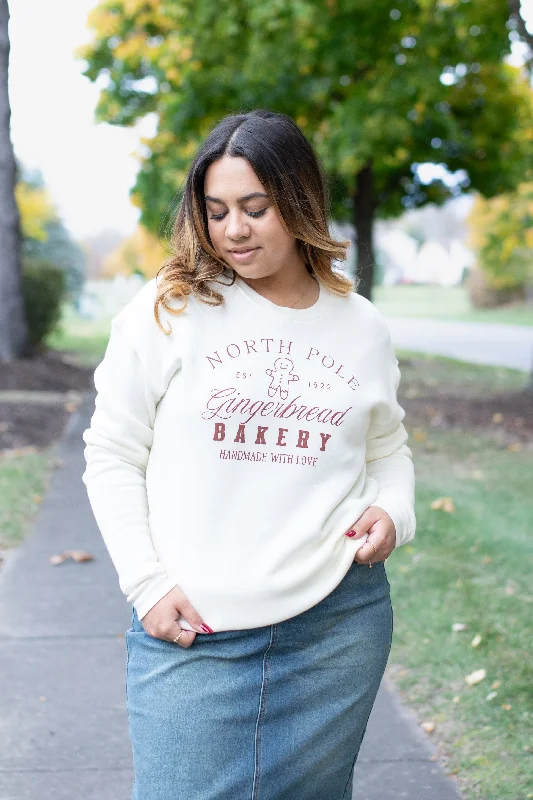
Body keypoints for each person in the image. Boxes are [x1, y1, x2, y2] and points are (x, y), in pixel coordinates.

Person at [82, 109, 416, 800]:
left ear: (298, 203)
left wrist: (392, 508)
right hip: (196, 625)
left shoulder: (360, 326)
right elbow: (111, 453)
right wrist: (145, 584)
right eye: (216, 210)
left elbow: (387, 450)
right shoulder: (168, 309)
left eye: (255, 208)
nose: (233, 229)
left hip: (335, 626)